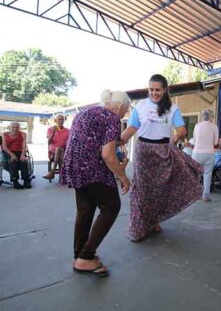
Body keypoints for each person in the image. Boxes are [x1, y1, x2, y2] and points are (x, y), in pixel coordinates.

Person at [121, 74, 203, 242]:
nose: (154, 93)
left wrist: (176, 137)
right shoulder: (141, 106)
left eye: (158, 90)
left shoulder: (172, 109)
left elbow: (181, 129)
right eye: (151, 90)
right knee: (141, 190)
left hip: (163, 150)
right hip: (143, 151)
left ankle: (152, 220)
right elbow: (132, 129)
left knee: (159, 191)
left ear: (165, 90)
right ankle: (137, 227)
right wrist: (118, 141)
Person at [61, 90, 131, 276]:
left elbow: (91, 141)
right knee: (111, 206)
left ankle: (79, 256)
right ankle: (86, 256)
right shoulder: (111, 118)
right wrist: (123, 176)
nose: (125, 114)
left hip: (74, 166)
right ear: (120, 107)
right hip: (92, 169)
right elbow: (107, 155)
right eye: (126, 110)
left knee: (85, 210)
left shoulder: (86, 112)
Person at [192, 109, 219, 202]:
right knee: (207, 175)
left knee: (195, 174)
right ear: (211, 116)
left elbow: (195, 141)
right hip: (209, 153)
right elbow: (215, 142)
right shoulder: (214, 126)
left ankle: (193, 194)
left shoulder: (197, 126)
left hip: (197, 153)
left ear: (203, 116)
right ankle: (205, 196)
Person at [1, 121, 31, 189]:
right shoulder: (4, 134)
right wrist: (12, 155)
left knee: (23, 161)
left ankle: (26, 181)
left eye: (17, 127)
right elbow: (4, 147)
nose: (15, 129)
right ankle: (15, 182)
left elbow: (24, 146)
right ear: (10, 127)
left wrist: (23, 155)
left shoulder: (23, 134)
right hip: (8, 151)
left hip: (19, 151)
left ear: (19, 128)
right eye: (13, 127)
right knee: (13, 161)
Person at [43, 114, 70, 180]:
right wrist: (53, 132)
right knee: (59, 149)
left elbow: (70, 143)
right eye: (59, 119)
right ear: (55, 121)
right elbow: (49, 142)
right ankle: (62, 176)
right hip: (53, 153)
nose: (61, 121)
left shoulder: (68, 131)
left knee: (60, 149)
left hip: (65, 152)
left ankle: (52, 172)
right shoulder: (50, 129)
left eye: (62, 119)